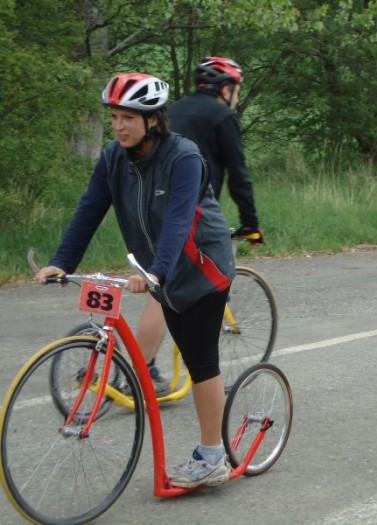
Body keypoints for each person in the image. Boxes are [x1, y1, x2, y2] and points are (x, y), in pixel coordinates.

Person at [34, 72, 236, 487]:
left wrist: (155, 272)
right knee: (177, 340)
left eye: (128, 117)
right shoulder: (113, 157)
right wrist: (61, 261)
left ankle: (212, 456)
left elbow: (179, 223)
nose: (119, 126)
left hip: (202, 267)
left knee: (201, 362)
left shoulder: (184, 157)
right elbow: (90, 208)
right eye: (113, 117)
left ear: (153, 120)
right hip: (157, 266)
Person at [135, 56, 263, 392]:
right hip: (189, 215)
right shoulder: (223, 116)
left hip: (147, 206)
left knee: (161, 286)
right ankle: (139, 368)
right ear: (226, 89)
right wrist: (251, 223)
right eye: (236, 89)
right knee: (163, 292)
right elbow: (239, 175)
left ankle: (126, 361)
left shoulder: (173, 109)